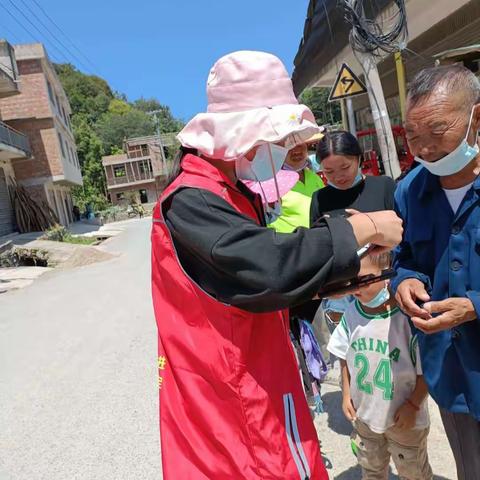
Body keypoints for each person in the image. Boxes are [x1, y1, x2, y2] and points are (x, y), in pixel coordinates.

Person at [150, 50, 403, 479]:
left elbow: (254, 282)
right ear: (243, 133)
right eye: (280, 140)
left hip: (251, 372)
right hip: (230, 394)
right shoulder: (192, 200)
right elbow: (268, 265)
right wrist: (360, 229)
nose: (287, 153)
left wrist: (330, 282)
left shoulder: (227, 192)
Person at [393, 64, 480, 480]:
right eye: (413, 136)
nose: (424, 149)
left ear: (476, 119)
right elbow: (405, 255)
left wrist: (474, 306)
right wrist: (404, 280)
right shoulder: (410, 190)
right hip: (453, 374)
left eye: (437, 132)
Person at [328, 253, 432, 479]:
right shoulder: (351, 314)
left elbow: (427, 369)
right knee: (372, 468)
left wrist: (413, 405)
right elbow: (343, 354)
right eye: (350, 280)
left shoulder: (406, 319)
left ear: (388, 273)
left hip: (405, 421)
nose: (356, 287)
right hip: (365, 417)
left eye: (364, 279)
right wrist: (346, 394)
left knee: (413, 472)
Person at [310, 131, 396, 332]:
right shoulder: (319, 199)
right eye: (328, 171)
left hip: (381, 285)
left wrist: (370, 227)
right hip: (342, 291)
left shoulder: (383, 186)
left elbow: (402, 234)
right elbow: (317, 247)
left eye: (345, 167)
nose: (338, 176)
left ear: (358, 158)